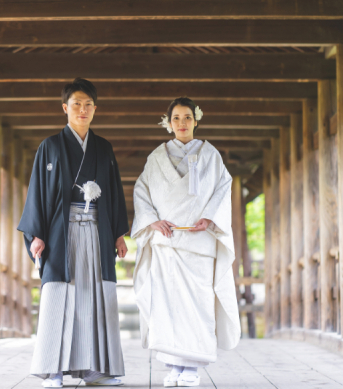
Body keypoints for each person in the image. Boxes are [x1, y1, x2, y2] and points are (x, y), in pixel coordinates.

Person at [18, 78, 129, 388]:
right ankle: (52, 370)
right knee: (58, 295)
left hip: (95, 230)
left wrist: (119, 233)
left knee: (93, 296)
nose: (83, 110)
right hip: (59, 232)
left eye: (88, 105)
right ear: (65, 108)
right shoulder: (50, 147)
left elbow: (115, 194)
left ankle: (94, 369)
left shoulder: (103, 148)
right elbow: (37, 193)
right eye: (77, 104)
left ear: (95, 109)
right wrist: (36, 233)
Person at [131, 97, 240, 388]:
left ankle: (192, 367)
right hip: (167, 243)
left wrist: (209, 218)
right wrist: (152, 220)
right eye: (176, 118)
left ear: (196, 120)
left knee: (198, 305)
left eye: (187, 118)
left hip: (198, 241)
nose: (182, 123)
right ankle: (174, 365)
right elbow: (141, 191)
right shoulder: (156, 157)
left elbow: (222, 188)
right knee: (167, 307)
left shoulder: (210, 155)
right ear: (168, 123)